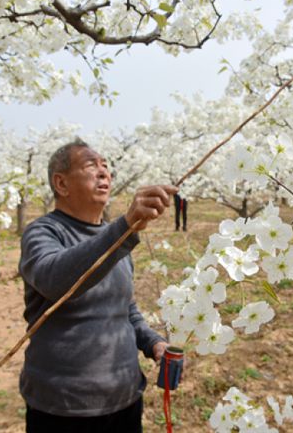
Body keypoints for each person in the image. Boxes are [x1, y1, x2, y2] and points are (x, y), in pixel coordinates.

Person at [19, 139, 177, 433]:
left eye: (106, 166)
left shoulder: (114, 237)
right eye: (91, 165)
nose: (104, 173)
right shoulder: (43, 232)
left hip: (125, 396)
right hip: (63, 406)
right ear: (61, 183)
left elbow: (125, 309)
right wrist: (125, 225)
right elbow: (56, 280)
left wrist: (153, 342)